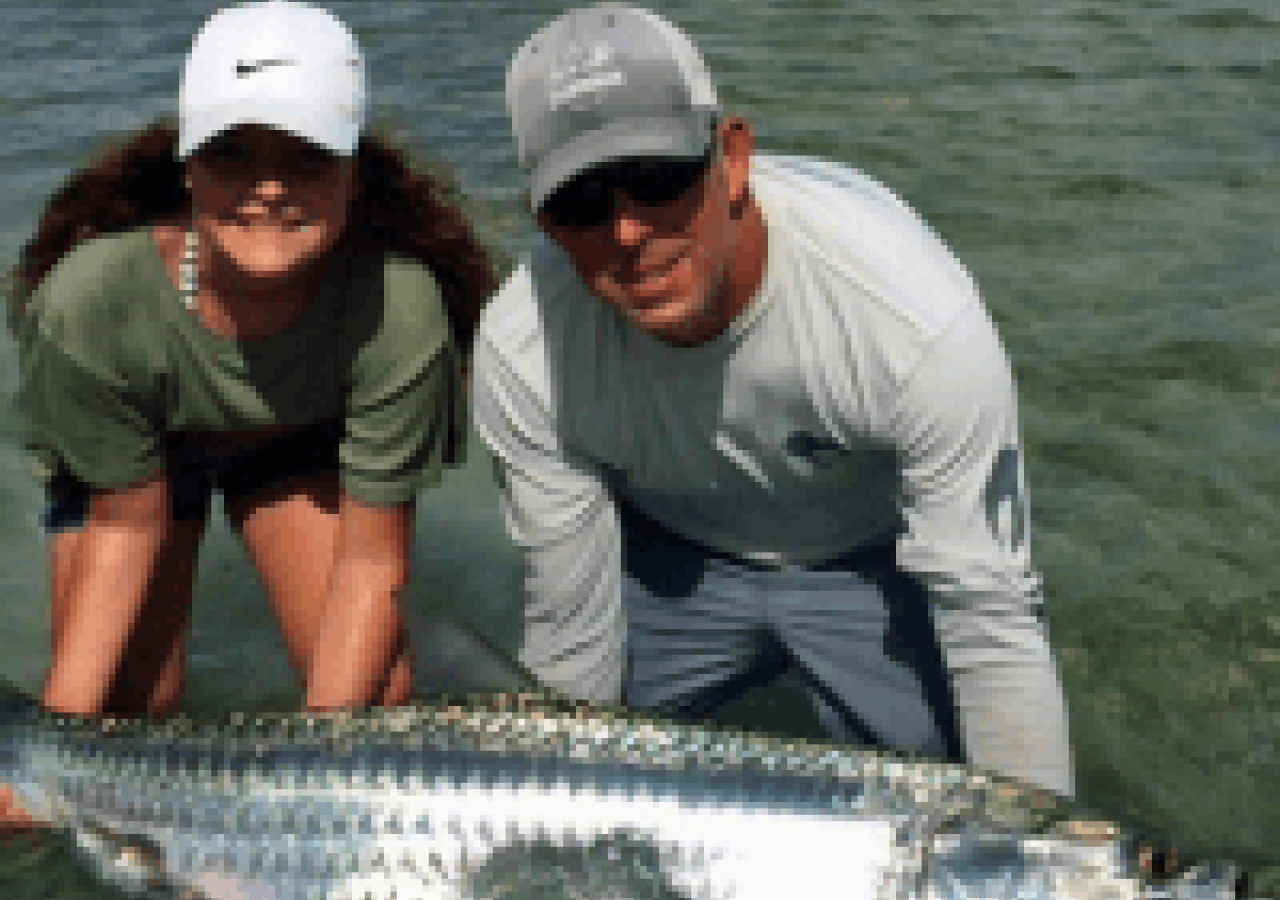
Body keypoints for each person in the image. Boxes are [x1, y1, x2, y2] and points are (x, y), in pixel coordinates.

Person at [473, 2, 1076, 797]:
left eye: (658, 179)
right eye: (581, 203)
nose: (627, 232)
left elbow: (991, 623)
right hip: (668, 561)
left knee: (955, 800)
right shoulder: (525, 349)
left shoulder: (912, 320)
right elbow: (571, 639)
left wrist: (1038, 841)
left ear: (732, 157)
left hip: (873, 562)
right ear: (542, 223)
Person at [0, 0, 494, 833]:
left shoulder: (401, 304)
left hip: (297, 440)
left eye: (306, 158)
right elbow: (126, 525)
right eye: (232, 155)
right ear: (186, 166)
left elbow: (374, 562)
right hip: (138, 462)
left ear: (355, 171)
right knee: (121, 722)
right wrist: (57, 757)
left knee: (377, 708)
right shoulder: (90, 299)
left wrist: (319, 790)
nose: (269, 188)